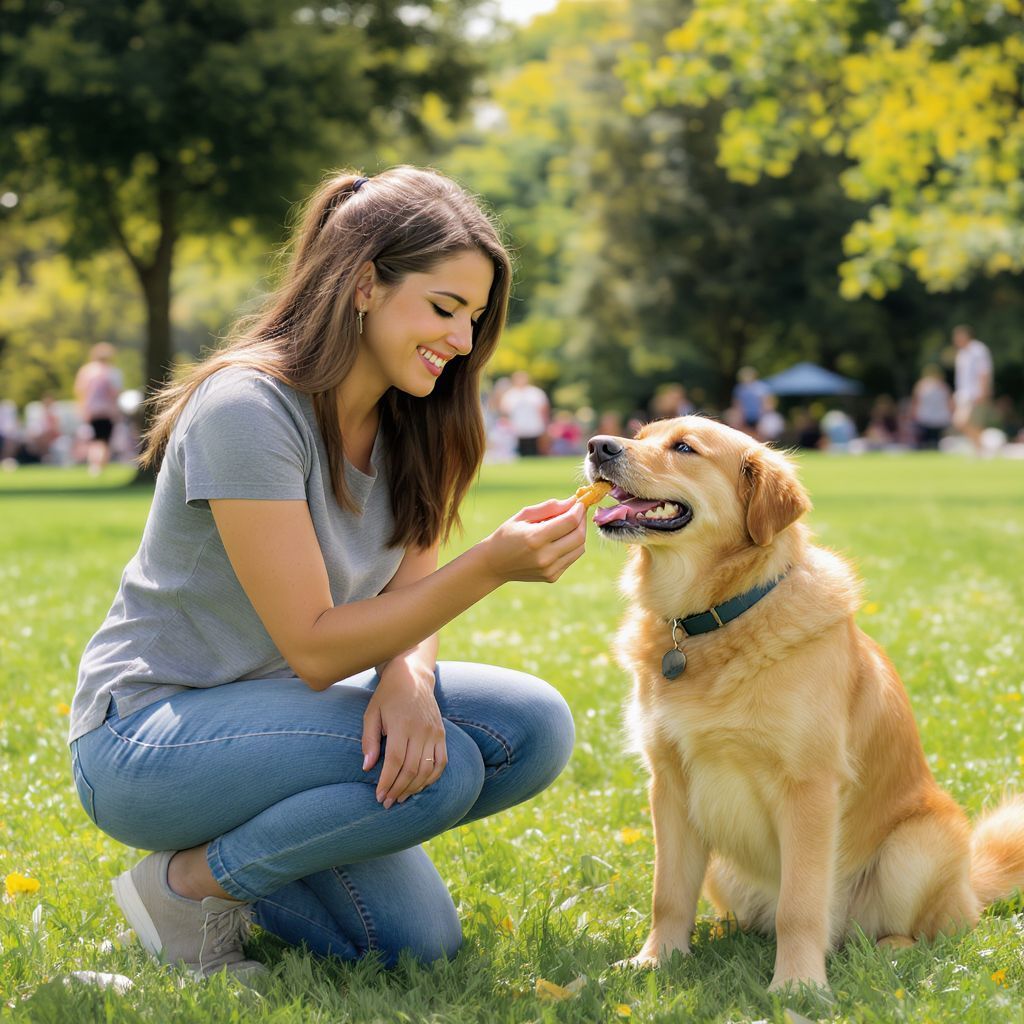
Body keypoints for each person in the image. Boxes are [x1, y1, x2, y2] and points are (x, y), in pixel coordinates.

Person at [67, 168, 586, 982]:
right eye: (444, 309)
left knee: (528, 736)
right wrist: (490, 565)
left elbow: (409, 596)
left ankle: (238, 850)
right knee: (440, 768)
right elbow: (312, 647)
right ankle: (185, 888)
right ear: (362, 285)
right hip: (146, 737)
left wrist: (409, 681)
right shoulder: (248, 408)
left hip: (289, 727)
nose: (461, 340)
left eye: (475, 319)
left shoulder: (416, 419)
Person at [74, 342, 123, 474]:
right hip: (107, 411)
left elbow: (80, 391)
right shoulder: (112, 372)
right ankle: (99, 466)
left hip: (91, 410)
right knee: (104, 441)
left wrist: (82, 408)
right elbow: (115, 393)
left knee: (94, 440)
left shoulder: (86, 371)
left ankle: (95, 465)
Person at [951, 324, 993, 454]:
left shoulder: (978, 350)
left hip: (976, 394)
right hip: (964, 395)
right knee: (967, 423)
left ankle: (981, 448)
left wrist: (983, 391)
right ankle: (980, 449)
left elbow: (984, 372)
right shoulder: (962, 353)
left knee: (965, 422)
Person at [499, 370, 550, 456]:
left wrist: (545, 424)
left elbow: (544, 409)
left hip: (534, 426)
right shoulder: (510, 394)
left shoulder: (535, 392)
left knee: (534, 450)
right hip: (517, 427)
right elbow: (504, 411)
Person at [911, 365, 953, 449]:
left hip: (938, 417)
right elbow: (916, 401)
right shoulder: (922, 385)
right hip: (926, 416)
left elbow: (948, 402)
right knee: (925, 440)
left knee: (937, 440)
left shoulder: (943, 386)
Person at [732, 367, 769, 435]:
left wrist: (763, 414)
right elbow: (737, 404)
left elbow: (765, 402)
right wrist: (739, 415)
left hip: (759, 415)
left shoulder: (761, 387)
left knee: (760, 434)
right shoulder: (739, 388)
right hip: (744, 416)